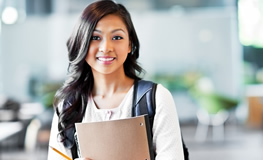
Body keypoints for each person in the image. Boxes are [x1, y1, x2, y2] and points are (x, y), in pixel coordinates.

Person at [47, 0, 184, 160]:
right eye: (95, 37)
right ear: (82, 43)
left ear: (129, 44)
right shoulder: (68, 105)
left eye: (117, 37)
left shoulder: (156, 98)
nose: (106, 48)